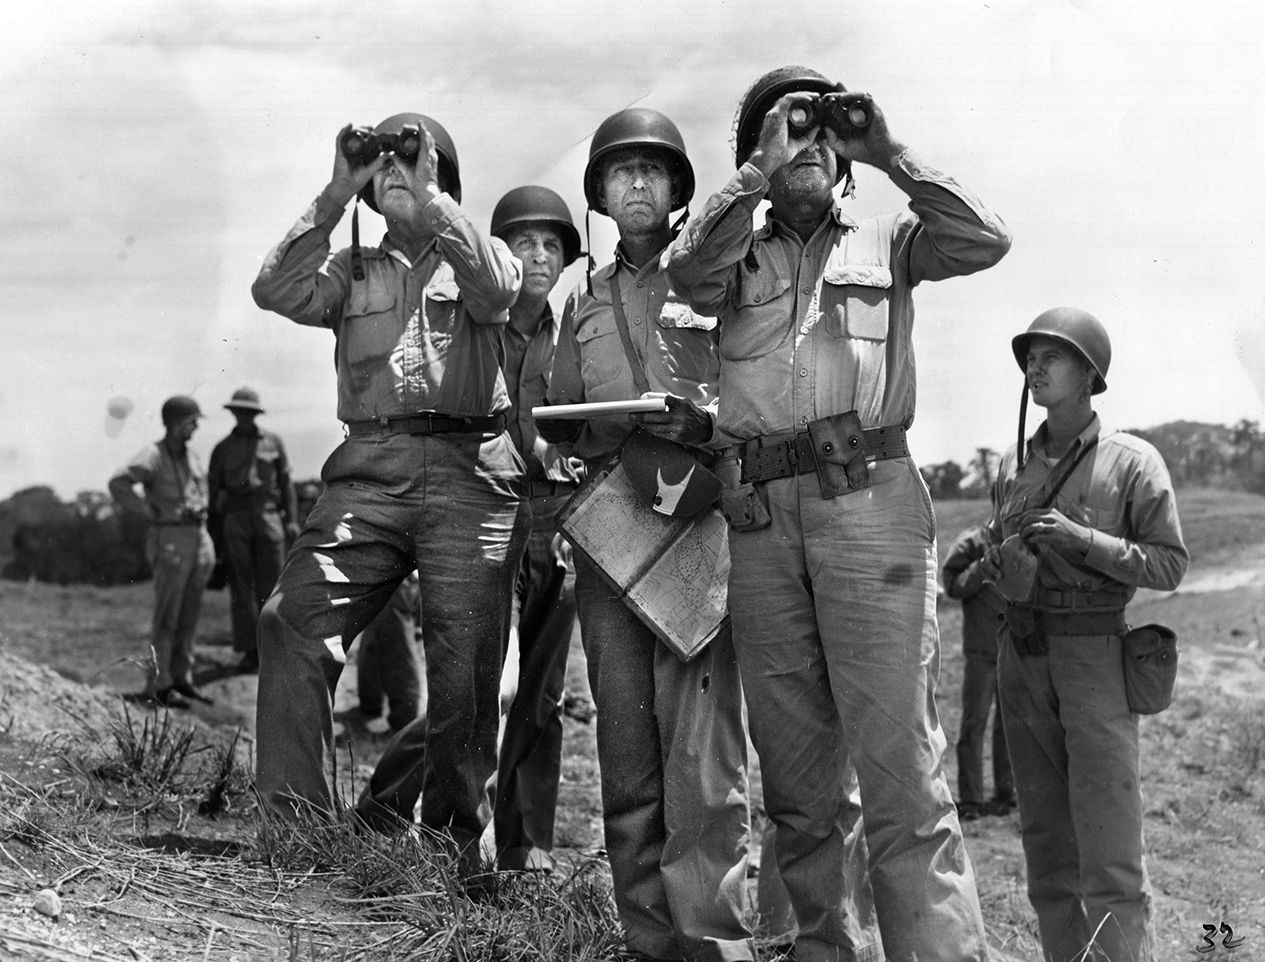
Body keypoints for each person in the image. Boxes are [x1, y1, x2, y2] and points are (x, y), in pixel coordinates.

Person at [666, 65, 1012, 961]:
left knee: (902, 773)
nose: (810, 144)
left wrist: (888, 151)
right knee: (798, 783)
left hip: (871, 508)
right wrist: (752, 174)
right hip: (761, 526)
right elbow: (687, 275)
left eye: (826, 132)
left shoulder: (891, 234)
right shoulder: (730, 248)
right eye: (788, 131)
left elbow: (984, 240)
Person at [249, 112, 529, 877]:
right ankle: (295, 835)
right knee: (292, 621)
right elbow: (273, 287)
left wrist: (434, 199)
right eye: (387, 167)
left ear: (444, 179)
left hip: (468, 466)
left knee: (466, 666)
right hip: (367, 470)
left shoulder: (480, 251)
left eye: (411, 160)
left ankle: (453, 852)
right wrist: (340, 187)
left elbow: (499, 293)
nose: (396, 173)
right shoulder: (352, 270)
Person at [536, 108, 753, 962]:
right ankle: (648, 941)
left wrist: (698, 420)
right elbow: (553, 408)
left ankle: (714, 943)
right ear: (598, 193)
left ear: (675, 190)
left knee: (701, 762)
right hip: (613, 531)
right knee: (625, 754)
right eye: (618, 172)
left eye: (651, 171)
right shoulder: (579, 300)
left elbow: (755, 386)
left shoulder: (715, 276)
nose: (634, 184)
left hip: (701, 523)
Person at [354, 186, 584, 873]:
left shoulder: (574, 330)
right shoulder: (467, 320)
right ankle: (384, 807)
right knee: (484, 691)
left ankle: (525, 848)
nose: (537, 257)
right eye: (522, 244)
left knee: (541, 695)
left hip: (556, 523)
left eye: (551, 245)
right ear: (498, 255)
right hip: (483, 518)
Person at [980, 307, 1188, 962]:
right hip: (1023, 654)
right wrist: (999, 570)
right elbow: (997, 556)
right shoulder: (1012, 474)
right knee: (1045, 848)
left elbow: (1168, 564)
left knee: (1108, 852)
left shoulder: (1131, 462)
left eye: (1051, 357)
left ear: (1089, 373)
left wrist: (1082, 540)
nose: (1034, 369)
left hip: (1095, 656)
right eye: (1029, 360)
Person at [108, 395, 217, 709]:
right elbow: (118, 483)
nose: (195, 427)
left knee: (189, 616)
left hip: (199, 538)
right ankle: (160, 684)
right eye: (191, 422)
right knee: (167, 617)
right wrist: (146, 510)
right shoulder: (152, 455)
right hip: (170, 538)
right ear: (175, 423)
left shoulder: (194, 457)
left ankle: (183, 680)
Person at [206, 387, 300, 673]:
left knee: (273, 583)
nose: (244, 417)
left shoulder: (273, 442)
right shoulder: (222, 449)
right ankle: (249, 650)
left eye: (249, 412)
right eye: (240, 411)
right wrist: (215, 536)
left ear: (256, 414)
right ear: (233, 413)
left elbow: (286, 484)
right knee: (241, 585)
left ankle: (273, 646)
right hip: (235, 516)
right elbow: (213, 495)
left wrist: (292, 520)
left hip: (268, 513)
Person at [942, 522, 1013, 821]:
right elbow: (952, 585)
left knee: (1009, 727)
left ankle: (1007, 795)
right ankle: (971, 799)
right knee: (975, 723)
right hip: (981, 649)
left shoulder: (1019, 537)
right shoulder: (971, 542)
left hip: (1013, 649)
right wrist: (981, 569)